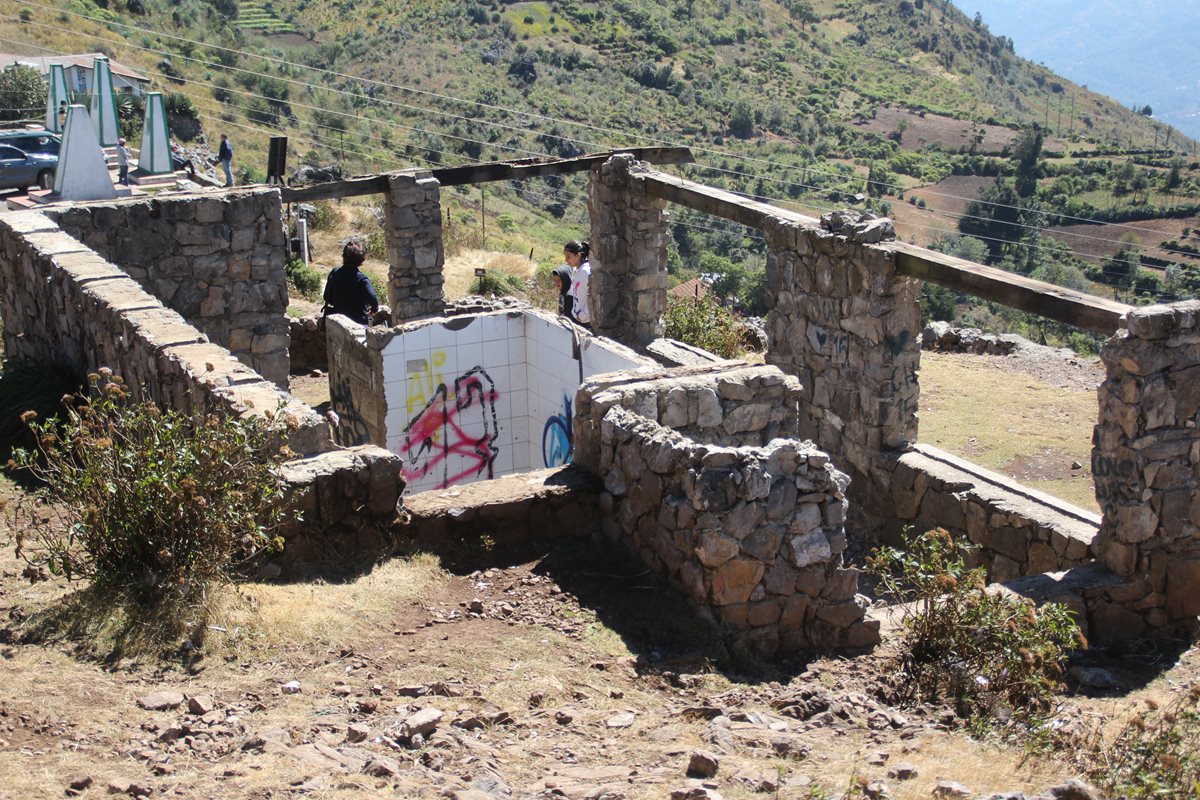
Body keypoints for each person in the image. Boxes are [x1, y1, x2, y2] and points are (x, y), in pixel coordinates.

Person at [322, 240, 379, 326]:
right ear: (361, 262)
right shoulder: (362, 279)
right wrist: (374, 309)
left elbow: (327, 297)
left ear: (343, 256)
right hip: (358, 323)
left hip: (338, 323)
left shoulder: (334, 273)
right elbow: (373, 299)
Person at [564, 240, 591, 327]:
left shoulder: (585, 271)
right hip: (578, 318)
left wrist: (584, 315)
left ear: (578, 255)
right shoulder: (578, 270)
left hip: (584, 321)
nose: (566, 260)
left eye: (568, 257)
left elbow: (593, 295)